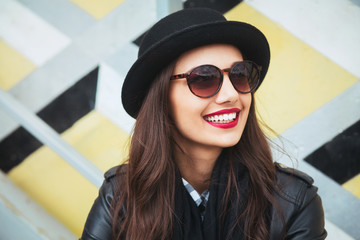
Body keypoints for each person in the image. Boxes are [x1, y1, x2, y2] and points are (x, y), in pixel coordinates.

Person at [80, 8, 327, 240]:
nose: (231, 95)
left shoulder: (294, 201)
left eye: (240, 74)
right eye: (204, 79)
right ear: (161, 100)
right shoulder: (120, 197)